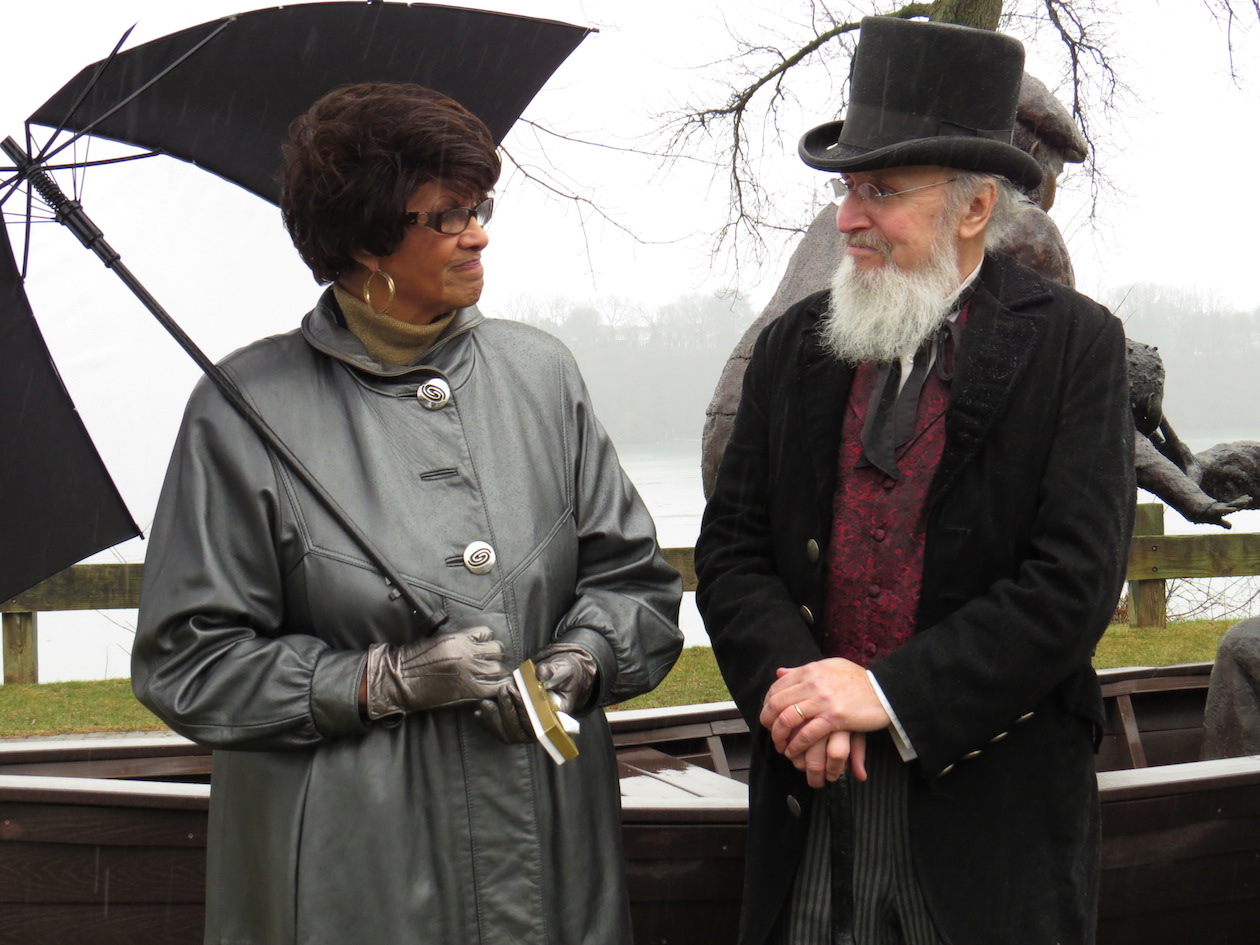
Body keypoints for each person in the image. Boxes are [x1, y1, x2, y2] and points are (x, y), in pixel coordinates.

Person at [132, 82, 683, 945]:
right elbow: (187, 659)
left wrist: (581, 659)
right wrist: (375, 680)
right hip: (353, 879)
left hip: (553, 857)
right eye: (449, 214)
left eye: (481, 205)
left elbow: (635, 582)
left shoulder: (540, 374)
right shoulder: (242, 410)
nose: (479, 232)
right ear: (364, 240)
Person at [695, 17, 1134, 945]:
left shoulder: (1076, 345)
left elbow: (1074, 581)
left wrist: (892, 695)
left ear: (973, 209)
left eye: (882, 191)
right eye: (849, 188)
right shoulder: (792, 347)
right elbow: (731, 552)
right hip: (812, 804)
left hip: (992, 821)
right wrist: (802, 698)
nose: (847, 218)